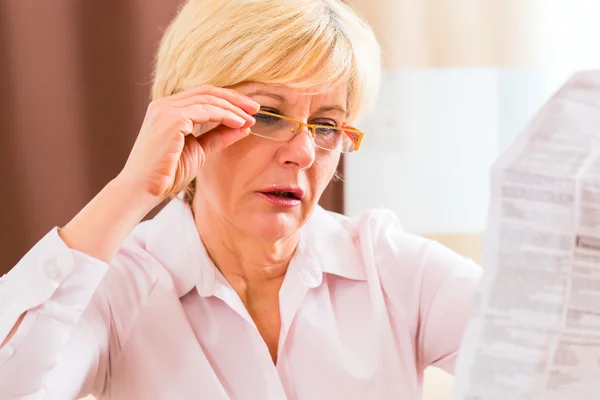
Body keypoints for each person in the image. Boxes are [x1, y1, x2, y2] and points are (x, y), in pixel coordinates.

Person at [0, 0, 481, 398]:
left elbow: (547, 361)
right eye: (268, 115)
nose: (303, 152)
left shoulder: (391, 267)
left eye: (328, 125)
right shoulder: (121, 285)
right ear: (190, 117)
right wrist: (131, 189)